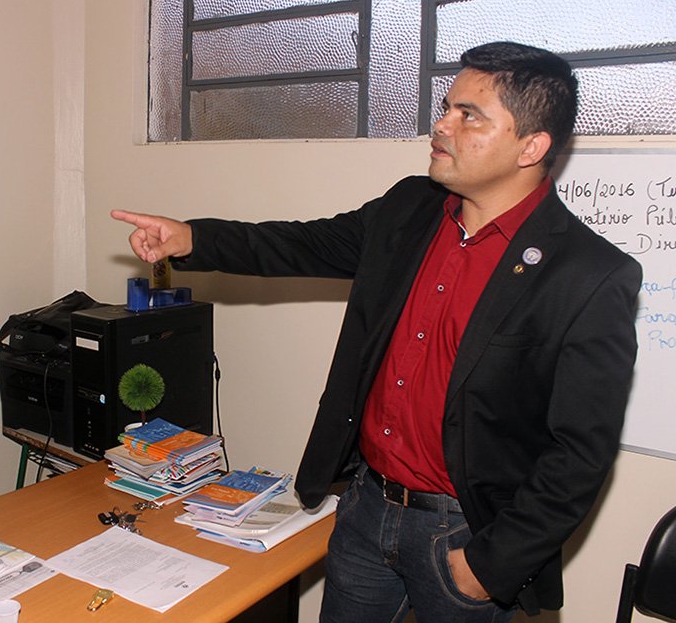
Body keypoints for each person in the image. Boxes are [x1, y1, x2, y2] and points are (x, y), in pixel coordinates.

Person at [112, 42, 640, 621]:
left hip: (466, 536)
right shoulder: (410, 208)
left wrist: (489, 566)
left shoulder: (589, 274)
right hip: (367, 508)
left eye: (470, 116)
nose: (440, 124)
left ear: (531, 147)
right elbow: (302, 243)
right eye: (446, 106)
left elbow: (580, 453)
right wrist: (191, 237)